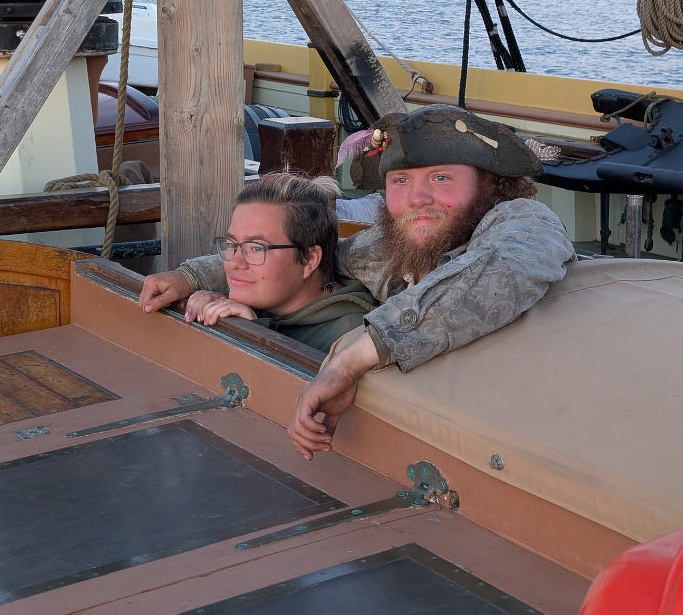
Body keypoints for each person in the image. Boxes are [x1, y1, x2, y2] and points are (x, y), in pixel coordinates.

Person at [140, 106, 576, 458]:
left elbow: (503, 272)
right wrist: (192, 276)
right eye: (400, 181)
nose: (416, 199)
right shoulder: (391, 248)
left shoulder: (522, 221)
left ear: (490, 186)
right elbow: (322, 255)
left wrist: (350, 359)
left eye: (441, 178)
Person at [151, 171, 376, 353]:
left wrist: (252, 333)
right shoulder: (268, 297)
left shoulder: (352, 339)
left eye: (257, 248)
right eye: (231, 245)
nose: (233, 262)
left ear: (309, 259)